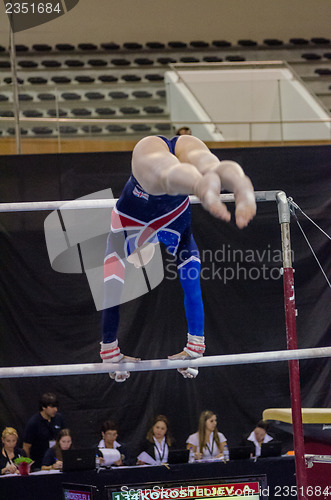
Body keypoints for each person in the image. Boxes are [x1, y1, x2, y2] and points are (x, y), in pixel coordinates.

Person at [100, 134, 256, 381]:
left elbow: (111, 296)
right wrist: (194, 349)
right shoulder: (179, 239)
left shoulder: (119, 237)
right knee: (206, 165)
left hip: (151, 175)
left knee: (166, 175)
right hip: (175, 197)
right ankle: (240, 185)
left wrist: (111, 353)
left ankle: (204, 187)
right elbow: (192, 290)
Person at [23, 392, 65, 469]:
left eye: (56, 407)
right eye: (52, 407)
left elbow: (65, 437)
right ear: (43, 407)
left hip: (57, 463)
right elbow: (26, 446)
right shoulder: (33, 422)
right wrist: (28, 466)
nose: (55, 409)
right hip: (39, 464)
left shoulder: (59, 418)